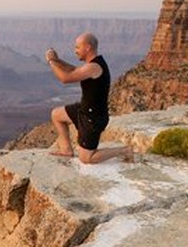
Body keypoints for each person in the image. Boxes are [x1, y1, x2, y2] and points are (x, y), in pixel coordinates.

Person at [46, 32, 133, 164]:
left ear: (87, 47)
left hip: (93, 118)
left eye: (77, 47)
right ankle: (66, 150)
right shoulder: (93, 64)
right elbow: (73, 70)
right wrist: (57, 61)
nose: (75, 51)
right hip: (84, 110)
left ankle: (124, 150)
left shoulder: (94, 67)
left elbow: (65, 78)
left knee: (86, 158)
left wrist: (51, 61)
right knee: (56, 115)